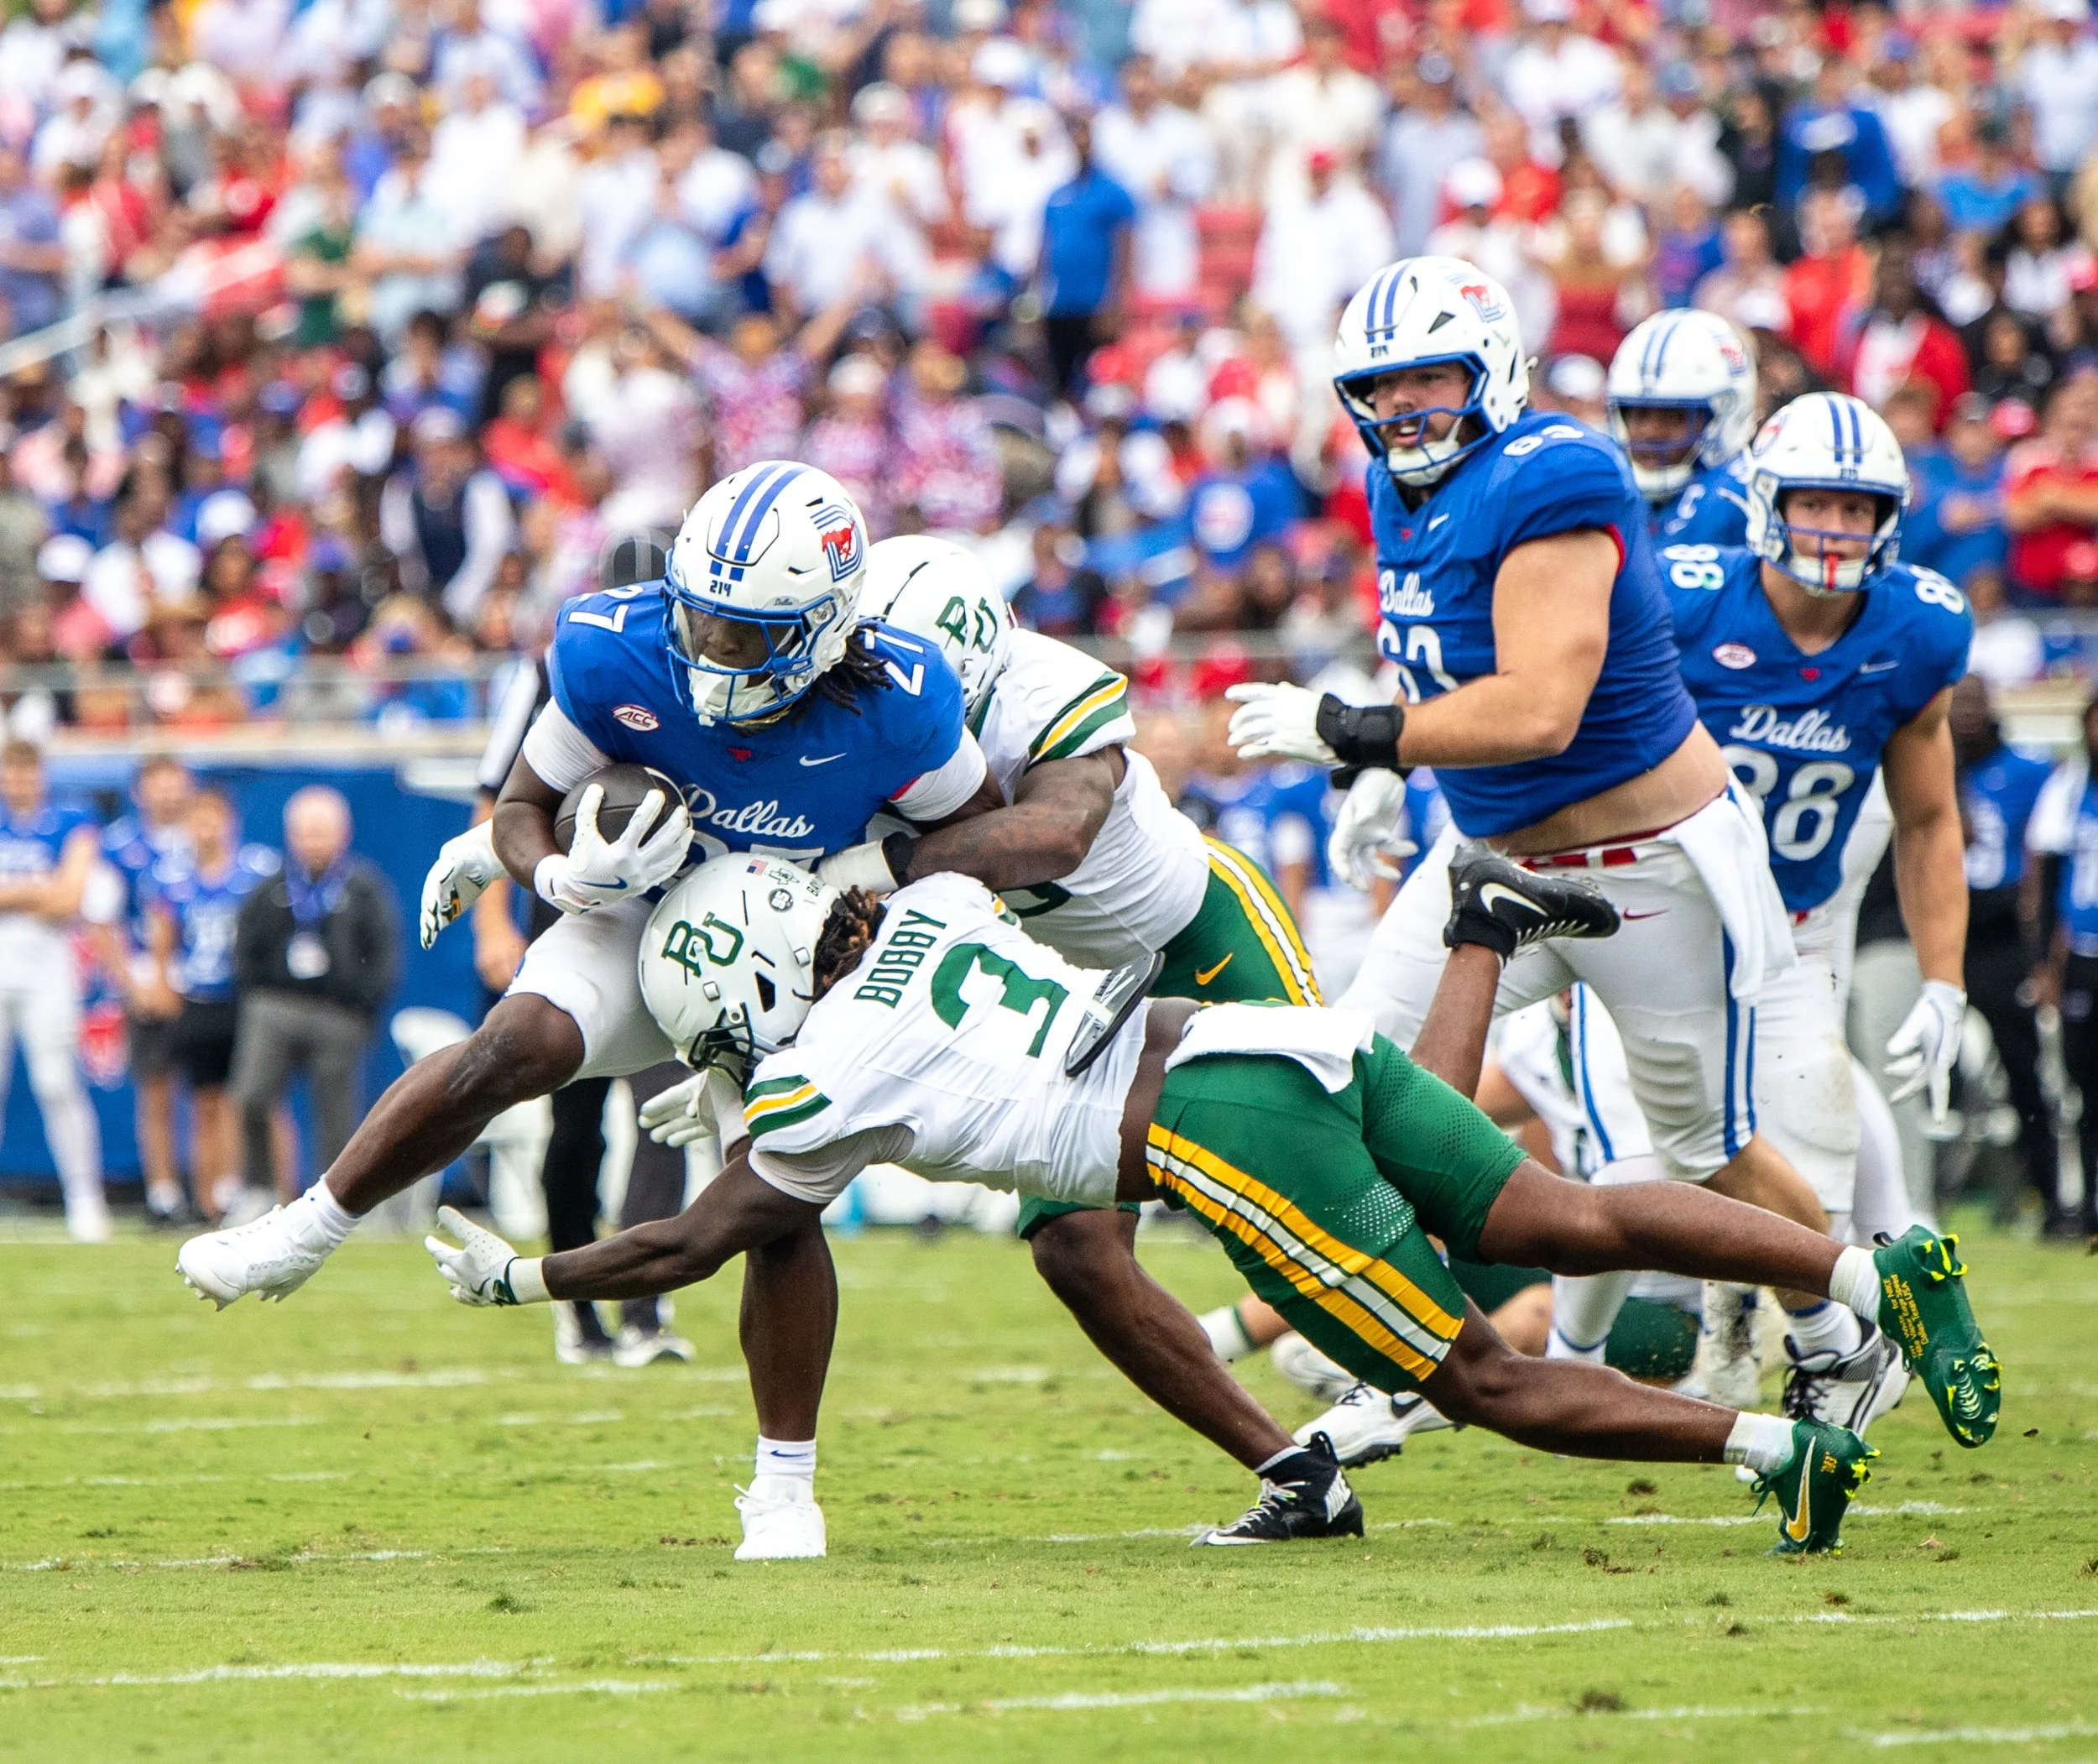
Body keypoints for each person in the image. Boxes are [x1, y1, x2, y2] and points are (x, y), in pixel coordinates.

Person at [425, 848, 2001, 1558]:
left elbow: (702, 1239)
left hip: (1215, 1128)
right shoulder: (933, 900)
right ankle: (1861, 1276)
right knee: (1563, 1211)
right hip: (1270, 1038)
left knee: (1476, 1379)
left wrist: (525, 1280)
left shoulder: (809, 1074)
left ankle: (1781, 1446)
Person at [178, 466, 1003, 1565]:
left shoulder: (903, 699)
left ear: (820, 629)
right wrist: (553, 871)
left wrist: (867, 875)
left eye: (743, 633)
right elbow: (520, 805)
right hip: (640, 909)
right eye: (698, 614)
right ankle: (305, 1227)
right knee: (517, 1043)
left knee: (778, 1194)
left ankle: (783, 1488)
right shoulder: (616, 643)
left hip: (797, 948)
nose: (706, 647)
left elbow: (976, 844)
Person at [1224, 256, 1816, 1299]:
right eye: (1377, 388)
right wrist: (1374, 770)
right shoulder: (1389, 485)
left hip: (1641, 869)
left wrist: (1363, 733)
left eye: (1426, 379)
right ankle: (1409, 1334)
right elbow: (1428, 645)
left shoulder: (1551, 472)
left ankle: (1840, 1322)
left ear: (1489, 369)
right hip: (1490, 858)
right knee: (1351, 1062)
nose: (1398, 409)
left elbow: (1543, 708)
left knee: (1703, 1147)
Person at [1553, 394, 1971, 1427]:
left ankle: (1823, 1377)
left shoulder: (1918, 628)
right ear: (1764, 502)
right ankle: (1568, 1358)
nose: (1834, 527)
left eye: (1856, 505)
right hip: (1643, 914)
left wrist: (1944, 981)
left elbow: (1928, 820)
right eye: (1813, 502)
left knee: (1812, 1169)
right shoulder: (1685, 599)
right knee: (1633, 1166)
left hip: (1787, 929)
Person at [225, 786, 398, 1210]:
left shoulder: (363, 888)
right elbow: (245, 948)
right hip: (277, 1004)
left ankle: (332, 1201)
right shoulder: (270, 890)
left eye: (322, 832)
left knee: (337, 1112)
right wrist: (261, 988)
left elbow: (385, 952)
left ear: (343, 834)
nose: (314, 842)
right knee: (251, 1094)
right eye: (305, 833)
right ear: (290, 835)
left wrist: (360, 1002)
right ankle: (259, 1189)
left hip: (339, 1012)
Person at [1949, 674, 2064, 1233]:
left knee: (2024, 1069)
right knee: (1930, 1070)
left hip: (2000, 936)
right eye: (1956, 702)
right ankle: (1931, 1197)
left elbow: (2047, 850)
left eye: (1975, 701)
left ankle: (2048, 1193)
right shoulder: (1930, 765)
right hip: (1940, 931)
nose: (1966, 712)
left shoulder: (2031, 770)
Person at [144, 789, 279, 1221]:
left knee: (258, 1101)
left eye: (214, 818)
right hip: (199, 999)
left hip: (245, 999)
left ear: (231, 823)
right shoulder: (172, 875)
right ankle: (211, 1203)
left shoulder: (257, 870)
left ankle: (277, 1195)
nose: (206, 828)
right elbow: (163, 938)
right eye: (198, 819)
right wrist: (163, 983)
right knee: (205, 1103)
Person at [0, 738, 106, 1240]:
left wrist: (14, 894)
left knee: (57, 1083)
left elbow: (70, 898)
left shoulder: (70, 819)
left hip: (49, 972)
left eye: (26, 772)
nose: (18, 781)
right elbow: (55, 891)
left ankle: (85, 1198)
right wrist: (40, 889)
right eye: (10, 772)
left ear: (41, 774)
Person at [97, 754, 194, 1224]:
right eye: (159, 784)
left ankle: (218, 1189)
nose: (169, 794)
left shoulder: (205, 834)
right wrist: (131, 984)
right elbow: (102, 920)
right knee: (155, 1089)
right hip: (146, 979)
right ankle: (163, 1191)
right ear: (139, 791)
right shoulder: (118, 845)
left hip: (202, 979)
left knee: (213, 1091)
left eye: (176, 784)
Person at [2025, 694, 2098, 1240]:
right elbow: (2044, 880)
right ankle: (2087, 1203)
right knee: (2083, 1084)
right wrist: (2044, 965)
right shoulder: (2069, 788)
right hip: (2084, 955)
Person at [1604, 308, 1760, 545]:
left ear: (1723, 416)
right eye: (1639, 415)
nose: (1650, 432)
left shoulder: (1739, 495)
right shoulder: (1609, 486)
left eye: (1674, 417)